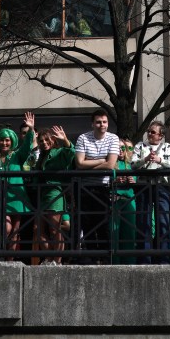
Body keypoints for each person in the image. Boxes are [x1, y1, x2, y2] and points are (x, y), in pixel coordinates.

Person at [75, 109, 119, 261]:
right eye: (99, 122)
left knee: (103, 225)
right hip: (85, 188)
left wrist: (90, 163)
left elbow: (111, 164)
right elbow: (79, 163)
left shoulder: (113, 138)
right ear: (92, 124)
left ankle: (106, 260)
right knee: (87, 226)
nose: (102, 125)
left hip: (103, 188)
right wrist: (102, 161)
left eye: (105, 122)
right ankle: (92, 259)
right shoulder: (83, 138)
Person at [131, 121, 170, 264]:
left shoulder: (167, 147)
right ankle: (144, 259)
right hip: (144, 186)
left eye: (152, 132)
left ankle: (164, 259)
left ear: (161, 135)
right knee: (143, 222)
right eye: (149, 131)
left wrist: (159, 160)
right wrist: (145, 159)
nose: (149, 134)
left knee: (163, 222)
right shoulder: (140, 146)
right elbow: (132, 164)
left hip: (161, 186)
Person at [0, 112, 36, 261]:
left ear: (11, 141)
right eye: (1, 140)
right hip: (2, 197)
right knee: (6, 228)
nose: (4, 143)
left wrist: (31, 130)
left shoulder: (17, 155)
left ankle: (9, 259)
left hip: (17, 197)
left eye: (7, 140)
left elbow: (27, 147)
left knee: (15, 231)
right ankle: (2, 255)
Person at [34, 126, 75, 265]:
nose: (44, 142)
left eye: (47, 140)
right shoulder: (40, 156)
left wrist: (65, 140)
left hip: (54, 193)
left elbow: (70, 153)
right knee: (38, 230)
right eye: (41, 140)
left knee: (54, 229)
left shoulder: (58, 152)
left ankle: (56, 260)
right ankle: (50, 257)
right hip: (42, 195)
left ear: (52, 140)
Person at [112, 138, 136, 264]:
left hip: (129, 200)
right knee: (114, 234)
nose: (120, 150)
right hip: (115, 201)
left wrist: (133, 180)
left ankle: (130, 264)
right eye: (117, 148)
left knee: (129, 235)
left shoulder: (130, 164)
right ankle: (115, 264)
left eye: (123, 148)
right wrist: (115, 181)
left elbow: (137, 180)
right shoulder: (111, 164)